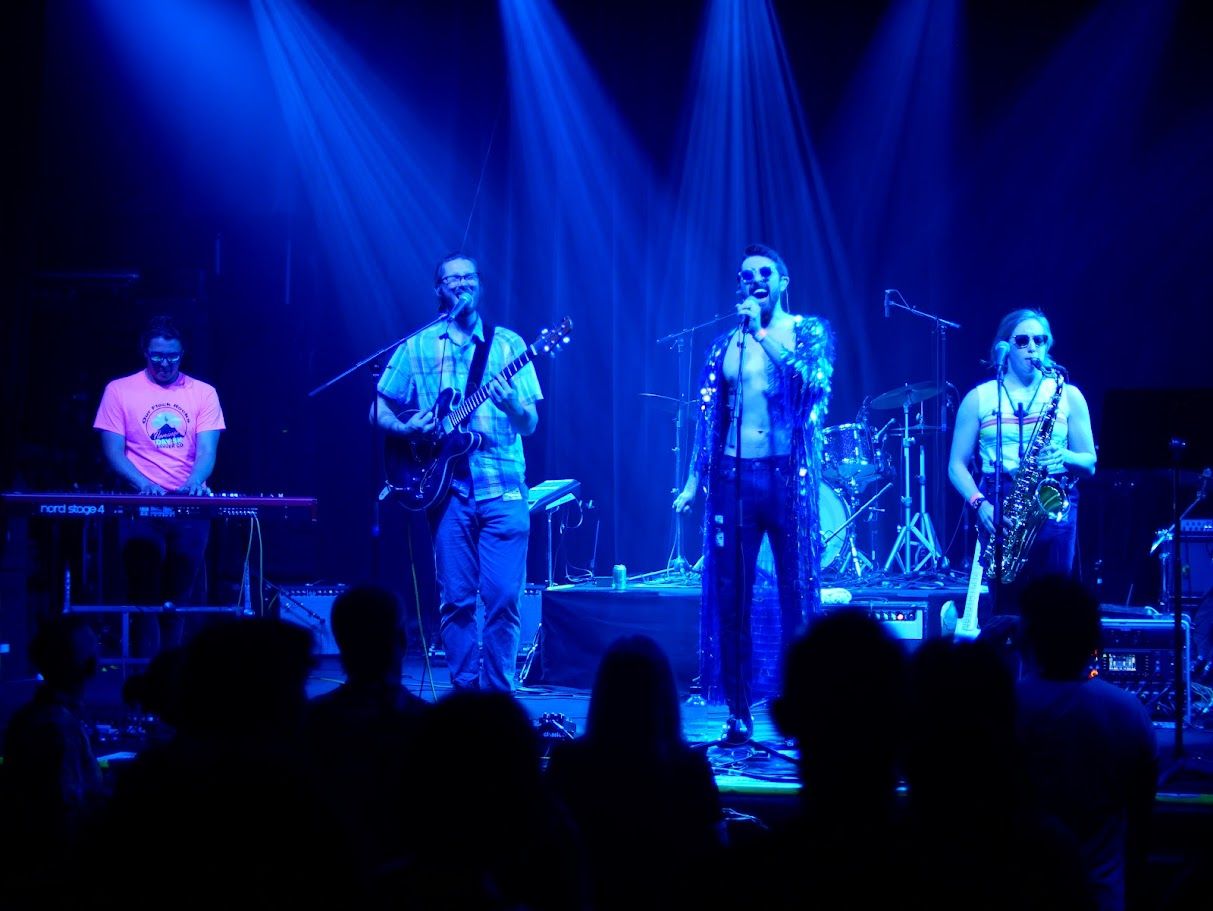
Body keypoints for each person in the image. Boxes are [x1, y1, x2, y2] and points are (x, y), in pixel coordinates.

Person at [673, 243, 835, 743]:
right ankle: (738, 711)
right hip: (733, 477)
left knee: (795, 594)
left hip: (787, 477)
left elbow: (810, 383)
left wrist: (762, 334)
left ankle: (804, 706)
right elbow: (710, 418)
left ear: (783, 281)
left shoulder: (807, 332)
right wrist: (694, 481)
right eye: (747, 275)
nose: (756, 280)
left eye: (765, 273)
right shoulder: (726, 345)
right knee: (732, 594)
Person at [374, 253, 541, 693]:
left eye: (470, 278)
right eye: (453, 280)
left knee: (503, 598)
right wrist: (405, 427)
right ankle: (466, 698)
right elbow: (379, 406)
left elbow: (529, 423)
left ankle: (498, 697)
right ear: (439, 290)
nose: (463, 285)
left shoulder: (508, 345)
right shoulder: (418, 345)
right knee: (457, 601)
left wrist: (513, 405)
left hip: (503, 487)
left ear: (479, 285)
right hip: (446, 489)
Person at [1015, 574, 1159, 911]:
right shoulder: (1127, 711)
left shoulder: (1004, 706)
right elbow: (1141, 818)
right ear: (1094, 638)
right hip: (1101, 897)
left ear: (1027, 637)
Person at [93, 314, 226, 657]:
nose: (164, 364)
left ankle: (175, 670)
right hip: (141, 508)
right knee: (144, 593)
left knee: (179, 596)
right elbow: (113, 450)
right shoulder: (119, 390)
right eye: (157, 356)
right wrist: (143, 484)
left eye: (171, 356)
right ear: (145, 352)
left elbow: (207, 450)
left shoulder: (203, 393)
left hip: (188, 510)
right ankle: (147, 669)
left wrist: (194, 483)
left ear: (182, 354)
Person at [947, 308, 1096, 614]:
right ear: (1004, 346)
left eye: (1040, 340)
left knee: (1055, 607)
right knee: (1005, 608)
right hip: (999, 501)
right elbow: (956, 466)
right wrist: (979, 504)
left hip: (1052, 500)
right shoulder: (979, 397)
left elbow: (1090, 463)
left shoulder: (1067, 394)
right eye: (1023, 340)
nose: (1032, 348)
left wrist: (1065, 455)